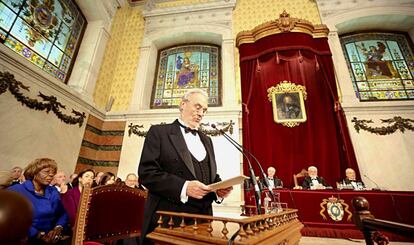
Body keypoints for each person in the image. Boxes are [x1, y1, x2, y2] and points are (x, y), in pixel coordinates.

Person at [138, 88, 232, 244]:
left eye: (204, 110)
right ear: (182, 105)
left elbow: (208, 175)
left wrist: (218, 189)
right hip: (169, 221)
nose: (201, 113)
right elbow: (147, 174)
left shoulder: (207, 140)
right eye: (198, 107)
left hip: (204, 221)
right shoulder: (159, 133)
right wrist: (184, 187)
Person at [7, 158, 69, 244]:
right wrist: (38, 234)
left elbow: (62, 213)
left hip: (50, 239)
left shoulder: (53, 191)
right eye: (47, 171)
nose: (51, 175)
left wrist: (58, 227)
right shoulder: (16, 190)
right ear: (34, 173)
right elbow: (11, 218)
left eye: (53, 172)